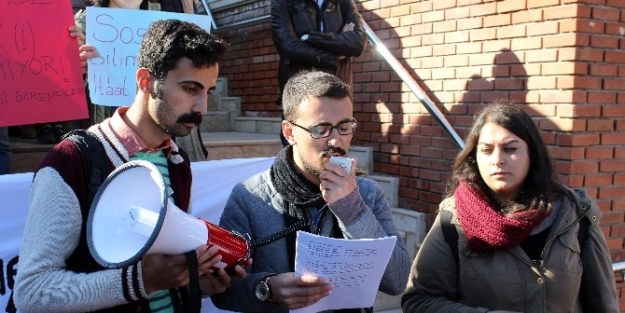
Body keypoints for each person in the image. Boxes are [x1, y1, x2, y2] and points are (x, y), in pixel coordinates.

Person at [14, 19, 247, 313]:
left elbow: (163, 275)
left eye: (208, 92)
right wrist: (138, 282)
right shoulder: (70, 161)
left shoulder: (176, 161)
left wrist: (199, 284)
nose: (201, 107)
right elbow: (32, 294)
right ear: (145, 81)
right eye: (190, 88)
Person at [211, 71, 410, 312]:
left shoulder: (366, 193)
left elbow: (397, 280)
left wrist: (352, 211)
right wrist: (267, 289)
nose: (336, 141)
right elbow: (221, 290)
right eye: (320, 130)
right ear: (289, 132)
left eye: (345, 127)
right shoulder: (251, 197)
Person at [401, 102, 619, 313]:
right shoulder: (454, 220)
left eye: (510, 149)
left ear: (531, 155)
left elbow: (604, 304)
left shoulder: (574, 215)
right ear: (475, 157)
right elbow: (419, 301)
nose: (498, 160)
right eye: (486, 150)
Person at [70, 0, 207, 161]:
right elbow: (61, 94)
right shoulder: (81, 26)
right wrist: (74, 69)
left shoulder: (170, 24)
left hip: (158, 141)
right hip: (105, 142)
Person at [270, 0, 367, 146]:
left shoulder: (343, 2)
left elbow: (357, 43)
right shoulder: (284, 2)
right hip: (301, 92)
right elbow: (287, 45)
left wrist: (310, 38)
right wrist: (333, 54)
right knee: (297, 151)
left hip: (336, 88)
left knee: (335, 148)